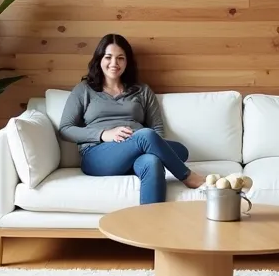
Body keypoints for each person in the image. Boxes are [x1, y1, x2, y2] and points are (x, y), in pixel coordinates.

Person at [57, 33, 204, 204]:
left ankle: (150, 226)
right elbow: (65, 129)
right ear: (99, 59)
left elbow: (157, 129)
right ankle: (187, 176)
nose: (114, 63)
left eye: (120, 58)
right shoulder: (84, 90)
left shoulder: (142, 90)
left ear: (127, 62)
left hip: (137, 151)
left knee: (154, 160)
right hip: (98, 155)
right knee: (149, 137)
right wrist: (103, 134)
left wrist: (141, 142)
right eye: (108, 57)